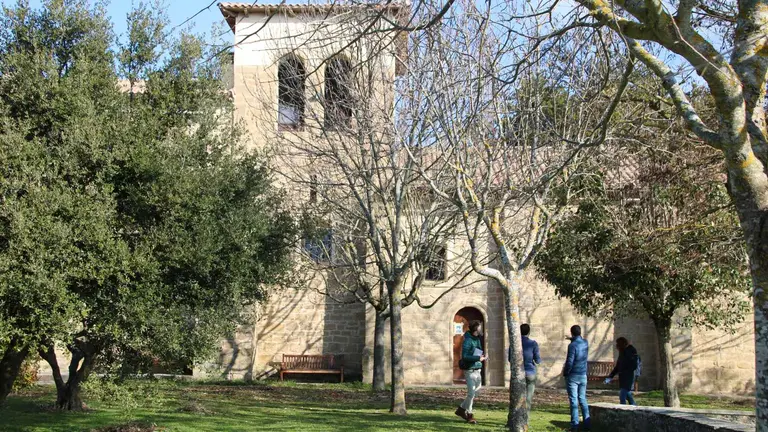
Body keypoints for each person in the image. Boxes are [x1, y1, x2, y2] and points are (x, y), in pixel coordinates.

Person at [455, 320, 486, 424]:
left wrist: (481, 357)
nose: (481, 329)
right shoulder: (468, 340)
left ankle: (461, 409)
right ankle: (469, 415)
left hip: (478, 369)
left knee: (476, 392)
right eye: (480, 327)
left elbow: (477, 352)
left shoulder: (477, 339)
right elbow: (465, 356)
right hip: (470, 370)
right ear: (476, 328)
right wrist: (478, 358)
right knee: (471, 394)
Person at [563, 325, 591, 432]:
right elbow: (579, 342)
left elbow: (570, 361)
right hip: (583, 375)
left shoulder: (572, 346)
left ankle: (575, 425)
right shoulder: (585, 343)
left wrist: (566, 372)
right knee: (582, 399)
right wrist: (572, 339)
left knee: (574, 400)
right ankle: (587, 423)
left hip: (573, 375)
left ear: (572, 333)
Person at [604, 337, 639, 405]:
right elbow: (617, 366)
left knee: (622, 395)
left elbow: (634, 365)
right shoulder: (622, 352)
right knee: (628, 394)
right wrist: (610, 377)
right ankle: (634, 406)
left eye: (617, 344)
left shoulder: (630, 351)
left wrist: (626, 371)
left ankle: (622, 410)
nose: (616, 346)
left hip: (628, 376)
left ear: (621, 344)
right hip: (622, 377)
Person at [520, 324, 541, 413]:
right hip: (530, 371)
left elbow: (510, 358)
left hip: (519, 372)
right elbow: (538, 360)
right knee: (528, 397)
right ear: (529, 332)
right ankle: (525, 416)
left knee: (519, 397)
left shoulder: (515, 343)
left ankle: (517, 416)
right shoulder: (533, 343)